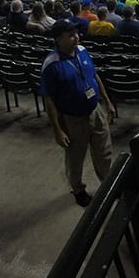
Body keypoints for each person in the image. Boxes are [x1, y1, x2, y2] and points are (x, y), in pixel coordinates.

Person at [39, 19, 117, 207]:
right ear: (58, 39)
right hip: (72, 118)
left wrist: (107, 101)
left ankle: (109, 183)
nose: (77, 37)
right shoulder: (51, 64)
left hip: (95, 110)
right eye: (71, 35)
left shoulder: (82, 51)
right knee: (75, 157)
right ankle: (78, 189)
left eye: (76, 33)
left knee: (104, 152)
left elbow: (94, 75)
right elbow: (48, 99)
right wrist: (57, 130)